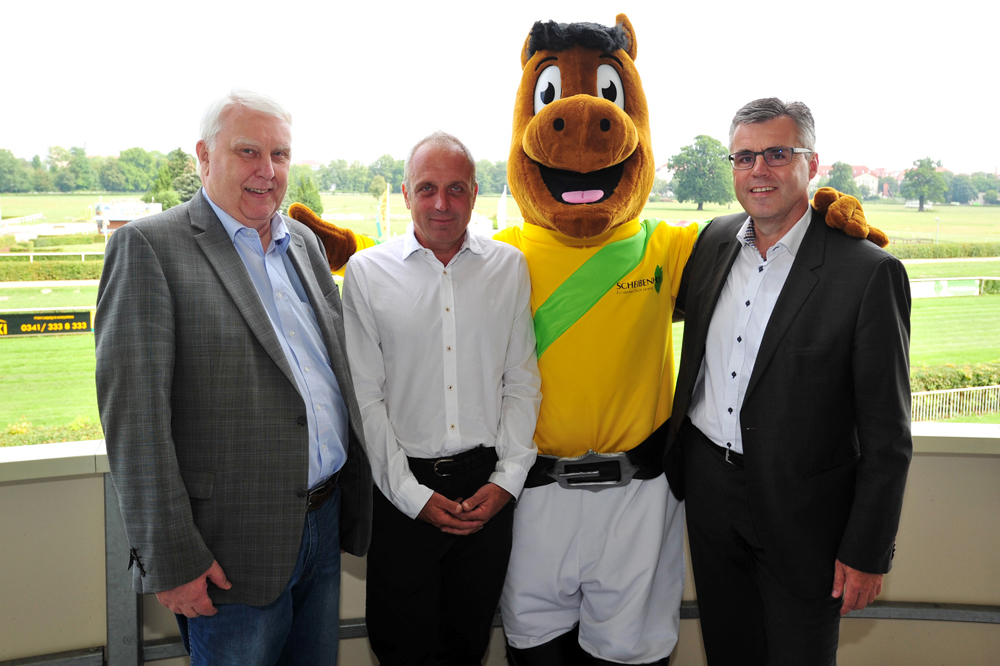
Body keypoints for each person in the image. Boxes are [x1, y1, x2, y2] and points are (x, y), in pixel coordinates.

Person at [95, 89, 372, 666]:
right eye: (248, 151)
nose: (266, 170)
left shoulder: (302, 245)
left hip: (322, 526)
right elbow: (134, 425)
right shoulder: (149, 247)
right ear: (204, 155)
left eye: (280, 154)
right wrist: (172, 561)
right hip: (226, 553)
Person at [665, 98, 912, 665]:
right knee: (729, 649)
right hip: (709, 494)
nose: (759, 170)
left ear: (812, 163)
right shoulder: (712, 242)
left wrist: (867, 550)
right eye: (744, 157)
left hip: (805, 516)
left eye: (777, 154)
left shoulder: (867, 273)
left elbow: (887, 436)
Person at [341, 131, 541, 665]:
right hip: (401, 492)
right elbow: (364, 399)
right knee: (401, 649)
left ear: (475, 193)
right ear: (406, 193)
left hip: (485, 491)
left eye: (456, 189)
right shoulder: (367, 273)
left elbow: (521, 381)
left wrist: (506, 481)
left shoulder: (509, 267)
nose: (442, 203)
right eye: (427, 188)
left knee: (468, 646)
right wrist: (411, 495)